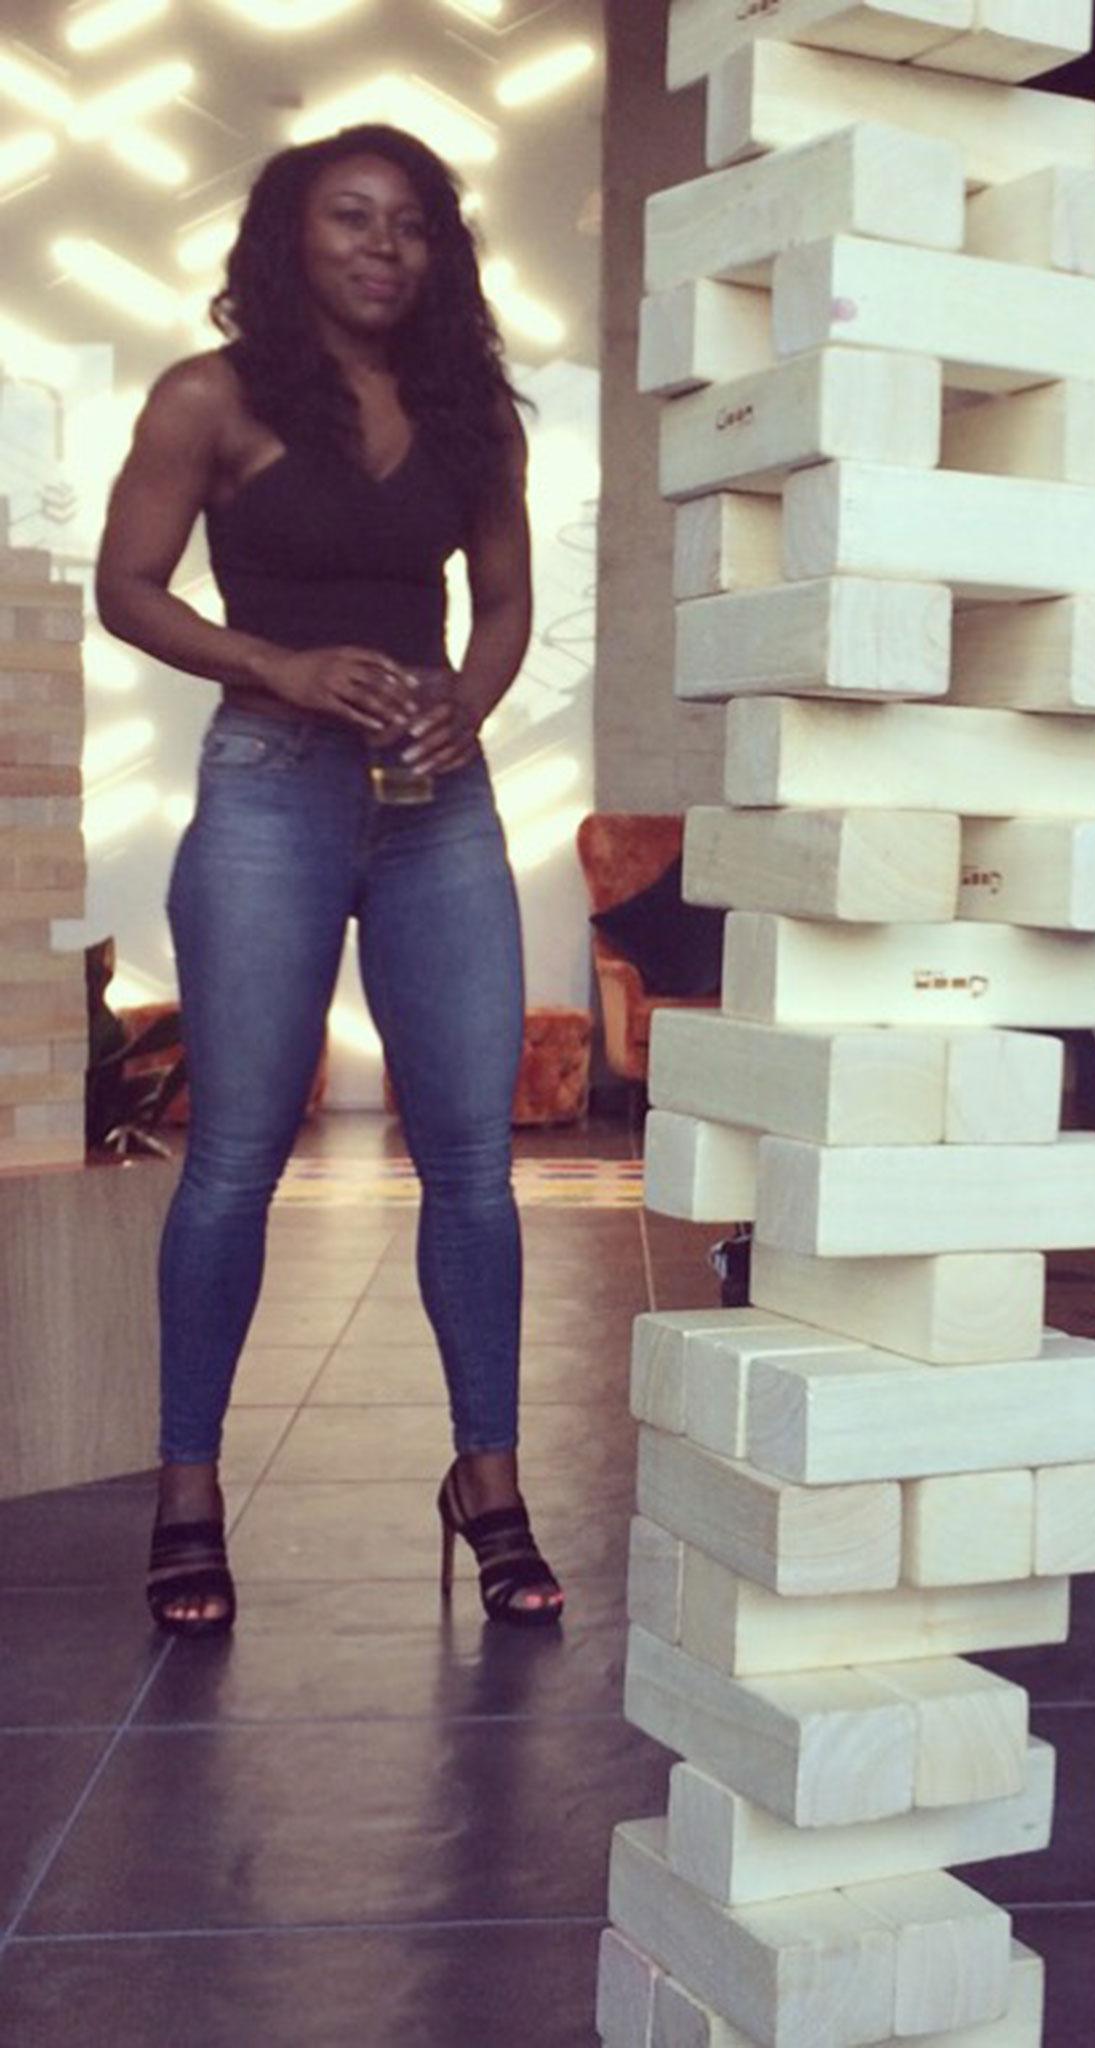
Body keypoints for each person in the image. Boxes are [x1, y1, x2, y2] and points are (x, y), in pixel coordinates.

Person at [96, 124, 563, 1631]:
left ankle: (486, 1477)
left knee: (474, 1166)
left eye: (413, 224)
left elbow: (502, 606)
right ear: (288, 239)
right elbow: (128, 584)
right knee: (236, 1157)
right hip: (268, 795)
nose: (384, 245)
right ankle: (188, 1488)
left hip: (439, 803)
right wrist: (276, 664)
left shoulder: (469, 410)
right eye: (352, 218)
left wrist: (466, 706)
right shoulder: (209, 398)